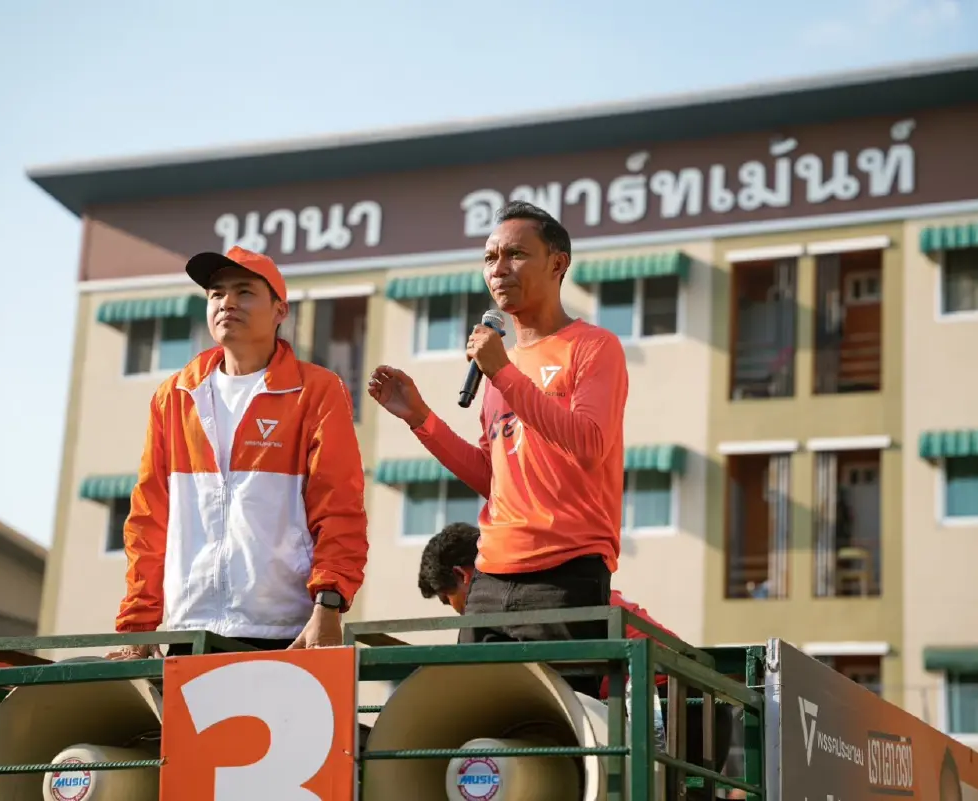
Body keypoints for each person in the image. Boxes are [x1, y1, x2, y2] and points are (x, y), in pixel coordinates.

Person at [368, 200, 629, 698]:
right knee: (480, 725)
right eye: (489, 258)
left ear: (557, 263)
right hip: (490, 576)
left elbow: (590, 443)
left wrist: (504, 373)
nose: (498, 269)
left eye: (514, 254)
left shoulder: (592, 347)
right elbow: (495, 480)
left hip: (566, 570)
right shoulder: (498, 369)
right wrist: (421, 420)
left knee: (556, 728)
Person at [106, 246, 368, 660]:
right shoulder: (174, 397)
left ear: (280, 311)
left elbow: (339, 508)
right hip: (188, 629)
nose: (227, 302)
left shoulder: (317, 391)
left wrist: (329, 603)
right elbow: (149, 518)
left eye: (244, 292)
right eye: (216, 293)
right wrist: (139, 623)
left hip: (284, 628)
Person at [417, 523, 736, 799]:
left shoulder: (508, 610)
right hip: (691, 707)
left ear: (463, 575)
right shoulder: (549, 593)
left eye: (449, 600)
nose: (458, 610)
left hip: (671, 710)